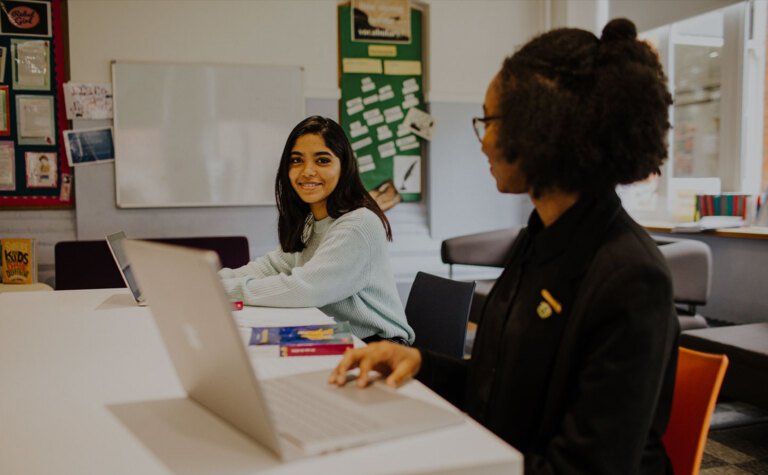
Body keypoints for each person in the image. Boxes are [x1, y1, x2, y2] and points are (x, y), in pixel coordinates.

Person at [330, 19, 678, 474]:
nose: (484, 142)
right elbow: (500, 387)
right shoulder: (539, 238)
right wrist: (418, 361)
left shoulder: (631, 277)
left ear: (541, 128)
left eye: (489, 121)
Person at [219, 116, 414, 345]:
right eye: (296, 160)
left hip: (377, 346)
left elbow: (305, 289)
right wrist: (215, 280)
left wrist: (223, 290)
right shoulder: (314, 220)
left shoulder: (359, 224)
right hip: (337, 335)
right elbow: (273, 265)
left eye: (322, 160)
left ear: (344, 166)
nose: (307, 171)